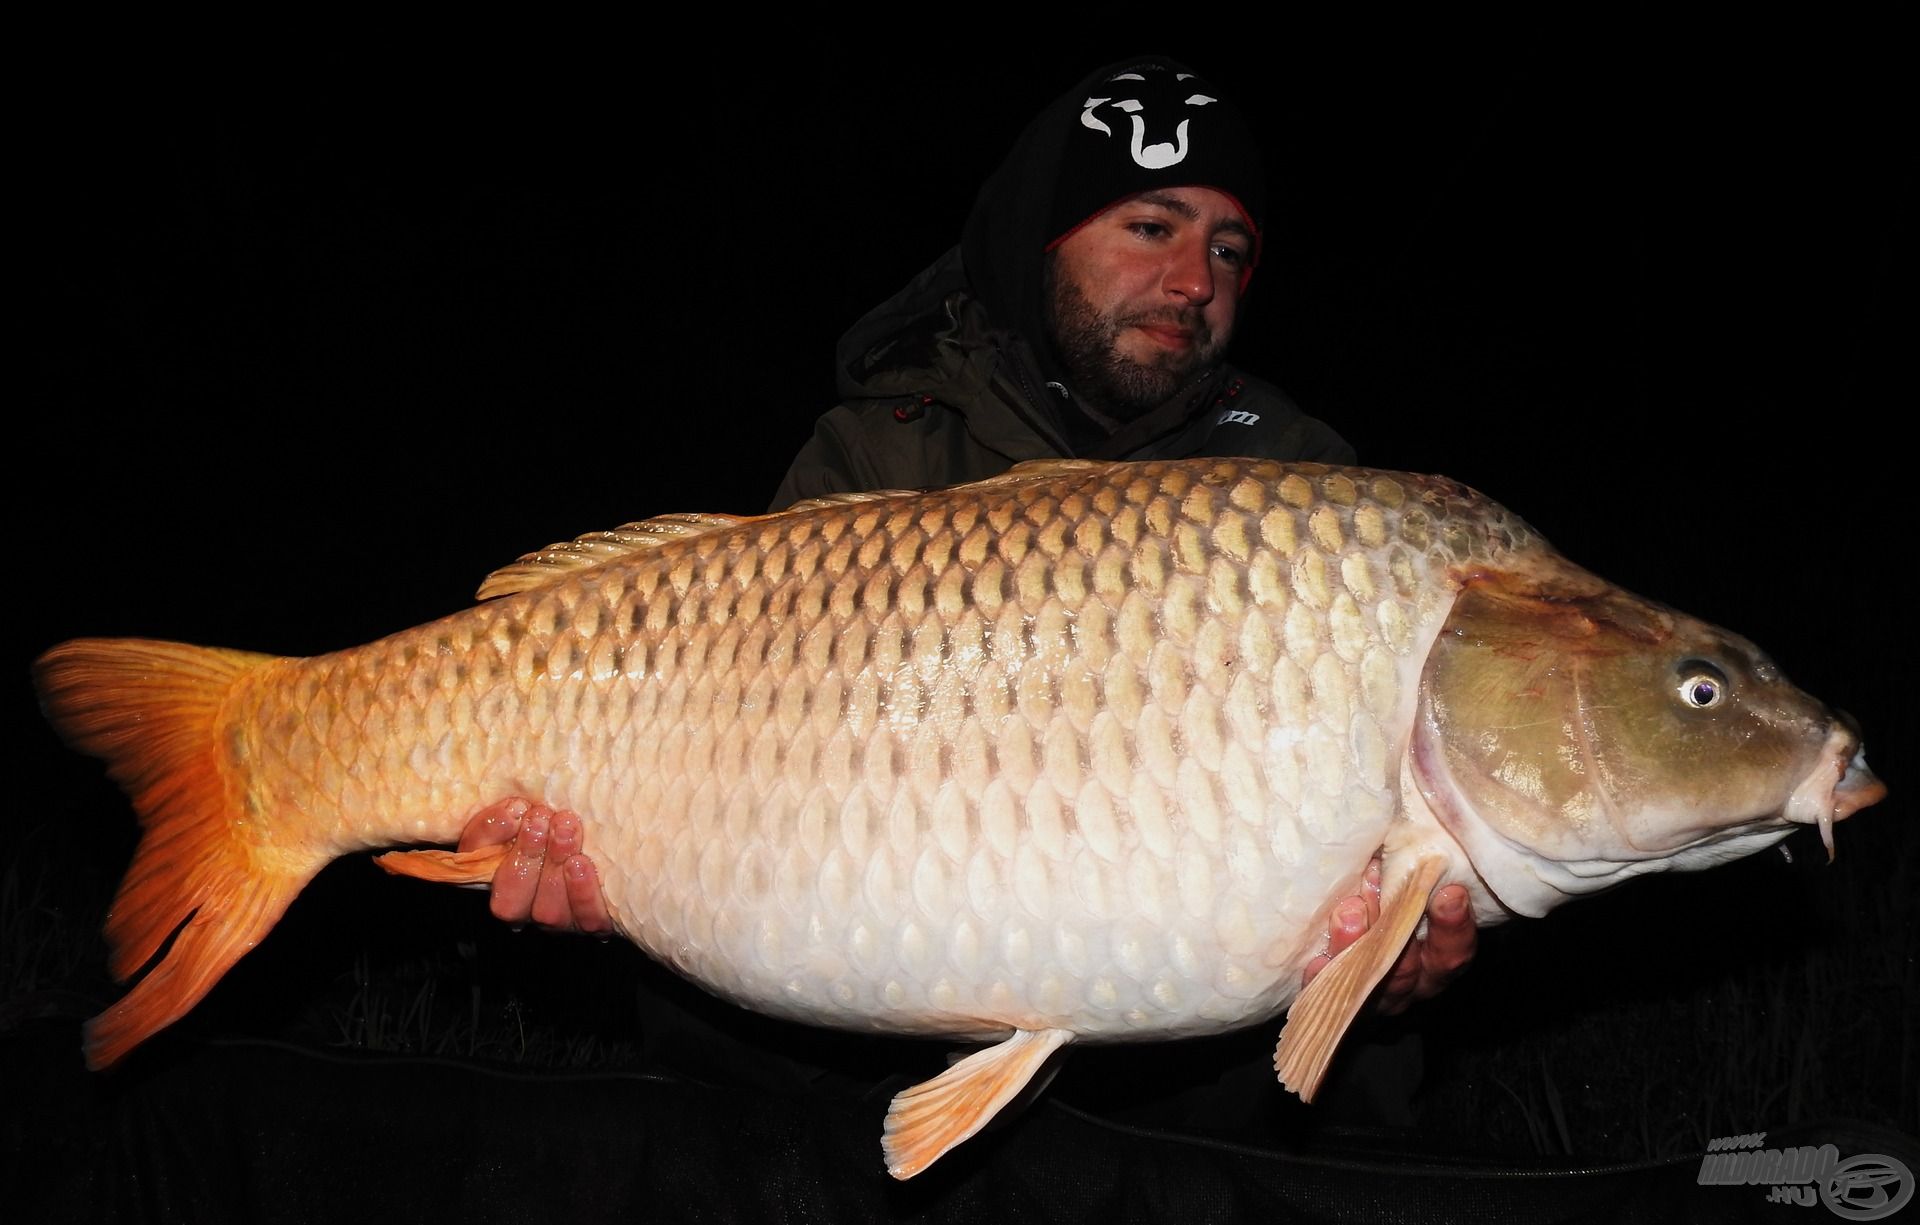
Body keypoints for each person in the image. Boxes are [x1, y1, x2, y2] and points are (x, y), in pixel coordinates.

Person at [457, 54, 1474, 1117]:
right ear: (1039, 235)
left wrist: (1399, 973)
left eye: (1230, 249)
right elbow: (709, 792)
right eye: (1151, 227)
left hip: (1183, 1101)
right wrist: (602, 866)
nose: (1194, 280)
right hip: (830, 1043)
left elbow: (1379, 931)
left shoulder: (1309, 491)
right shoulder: (877, 451)